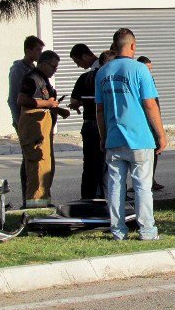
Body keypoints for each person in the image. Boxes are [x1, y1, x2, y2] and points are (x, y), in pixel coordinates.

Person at [96, 28, 167, 241]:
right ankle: (147, 230)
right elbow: (150, 104)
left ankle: (118, 231)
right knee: (142, 187)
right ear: (133, 46)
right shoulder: (140, 70)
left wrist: (103, 136)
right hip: (140, 139)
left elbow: (99, 109)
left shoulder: (102, 72)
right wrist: (161, 135)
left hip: (114, 138)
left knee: (115, 187)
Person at [17, 50, 70, 208]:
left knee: (46, 167)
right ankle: (35, 207)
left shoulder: (43, 79)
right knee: (37, 166)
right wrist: (48, 104)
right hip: (34, 128)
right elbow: (22, 99)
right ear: (43, 63)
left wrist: (59, 110)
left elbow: (46, 101)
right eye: (53, 66)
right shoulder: (32, 78)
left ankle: (43, 202)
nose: (55, 70)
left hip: (43, 128)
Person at [7, 35, 44, 208]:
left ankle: (35, 196)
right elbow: (14, 98)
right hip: (24, 120)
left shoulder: (34, 69)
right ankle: (26, 198)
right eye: (37, 50)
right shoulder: (18, 70)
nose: (39, 54)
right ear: (28, 50)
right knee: (28, 159)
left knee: (35, 159)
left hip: (36, 120)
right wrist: (18, 121)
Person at [69, 44, 105, 199]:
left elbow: (77, 100)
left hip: (94, 124)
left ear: (85, 56)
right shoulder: (88, 77)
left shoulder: (91, 76)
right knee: (101, 163)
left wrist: (79, 103)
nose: (78, 66)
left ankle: (92, 195)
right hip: (99, 124)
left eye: (77, 62)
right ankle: (96, 195)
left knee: (94, 164)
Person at [137, 56, 164, 191]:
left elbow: (155, 101)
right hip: (143, 121)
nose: (149, 72)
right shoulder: (138, 78)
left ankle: (151, 179)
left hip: (152, 119)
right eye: (147, 69)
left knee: (154, 151)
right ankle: (144, 181)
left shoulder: (149, 79)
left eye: (150, 69)